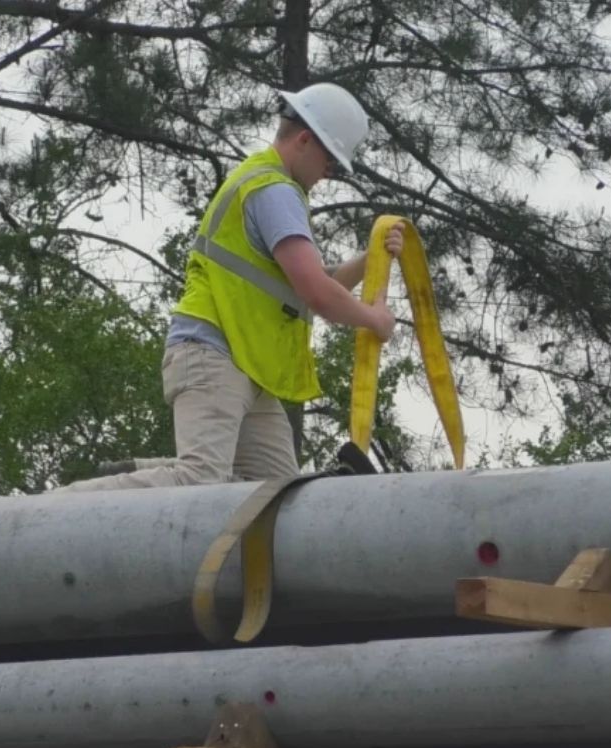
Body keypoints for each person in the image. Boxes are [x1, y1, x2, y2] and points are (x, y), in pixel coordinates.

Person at [59, 82, 403, 492]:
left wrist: (371, 259)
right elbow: (315, 291)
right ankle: (62, 507)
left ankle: (138, 471)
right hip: (214, 352)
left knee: (277, 495)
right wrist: (374, 321)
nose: (328, 174)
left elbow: (311, 284)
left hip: (242, 362)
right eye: (330, 161)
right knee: (200, 479)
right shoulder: (275, 191)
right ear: (305, 140)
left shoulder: (264, 182)